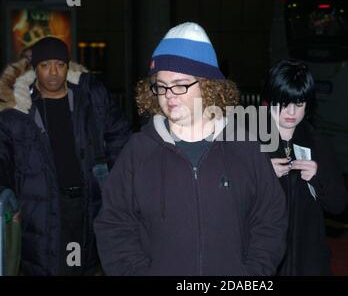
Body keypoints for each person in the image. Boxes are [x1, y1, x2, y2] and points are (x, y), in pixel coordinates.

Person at [94, 22, 287, 276]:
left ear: (208, 86)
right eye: (160, 86)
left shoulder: (245, 147)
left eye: (180, 84)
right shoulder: (138, 150)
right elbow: (114, 225)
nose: (168, 95)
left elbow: (269, 220)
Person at [0, 36, 131, 276]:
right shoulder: (18, 110)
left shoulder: (90, 97)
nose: (53, 72)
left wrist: (116, 183)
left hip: (87, 203)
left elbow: (119, 135)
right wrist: (8, 199)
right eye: (45, 65)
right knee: (46, 265)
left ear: (67, 66)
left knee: (83, 266)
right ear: (34, 68)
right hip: (38, 207)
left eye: (59, 64)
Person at [261, 59, 348, 276]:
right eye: (284, 103)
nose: (291, 112)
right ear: (270, 101)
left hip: (308, 257)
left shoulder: (317, 142)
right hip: (265, 257)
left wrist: (317, 177)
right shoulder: (250, 140)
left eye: (299, 104)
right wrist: (262, 174)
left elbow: (339, 205)